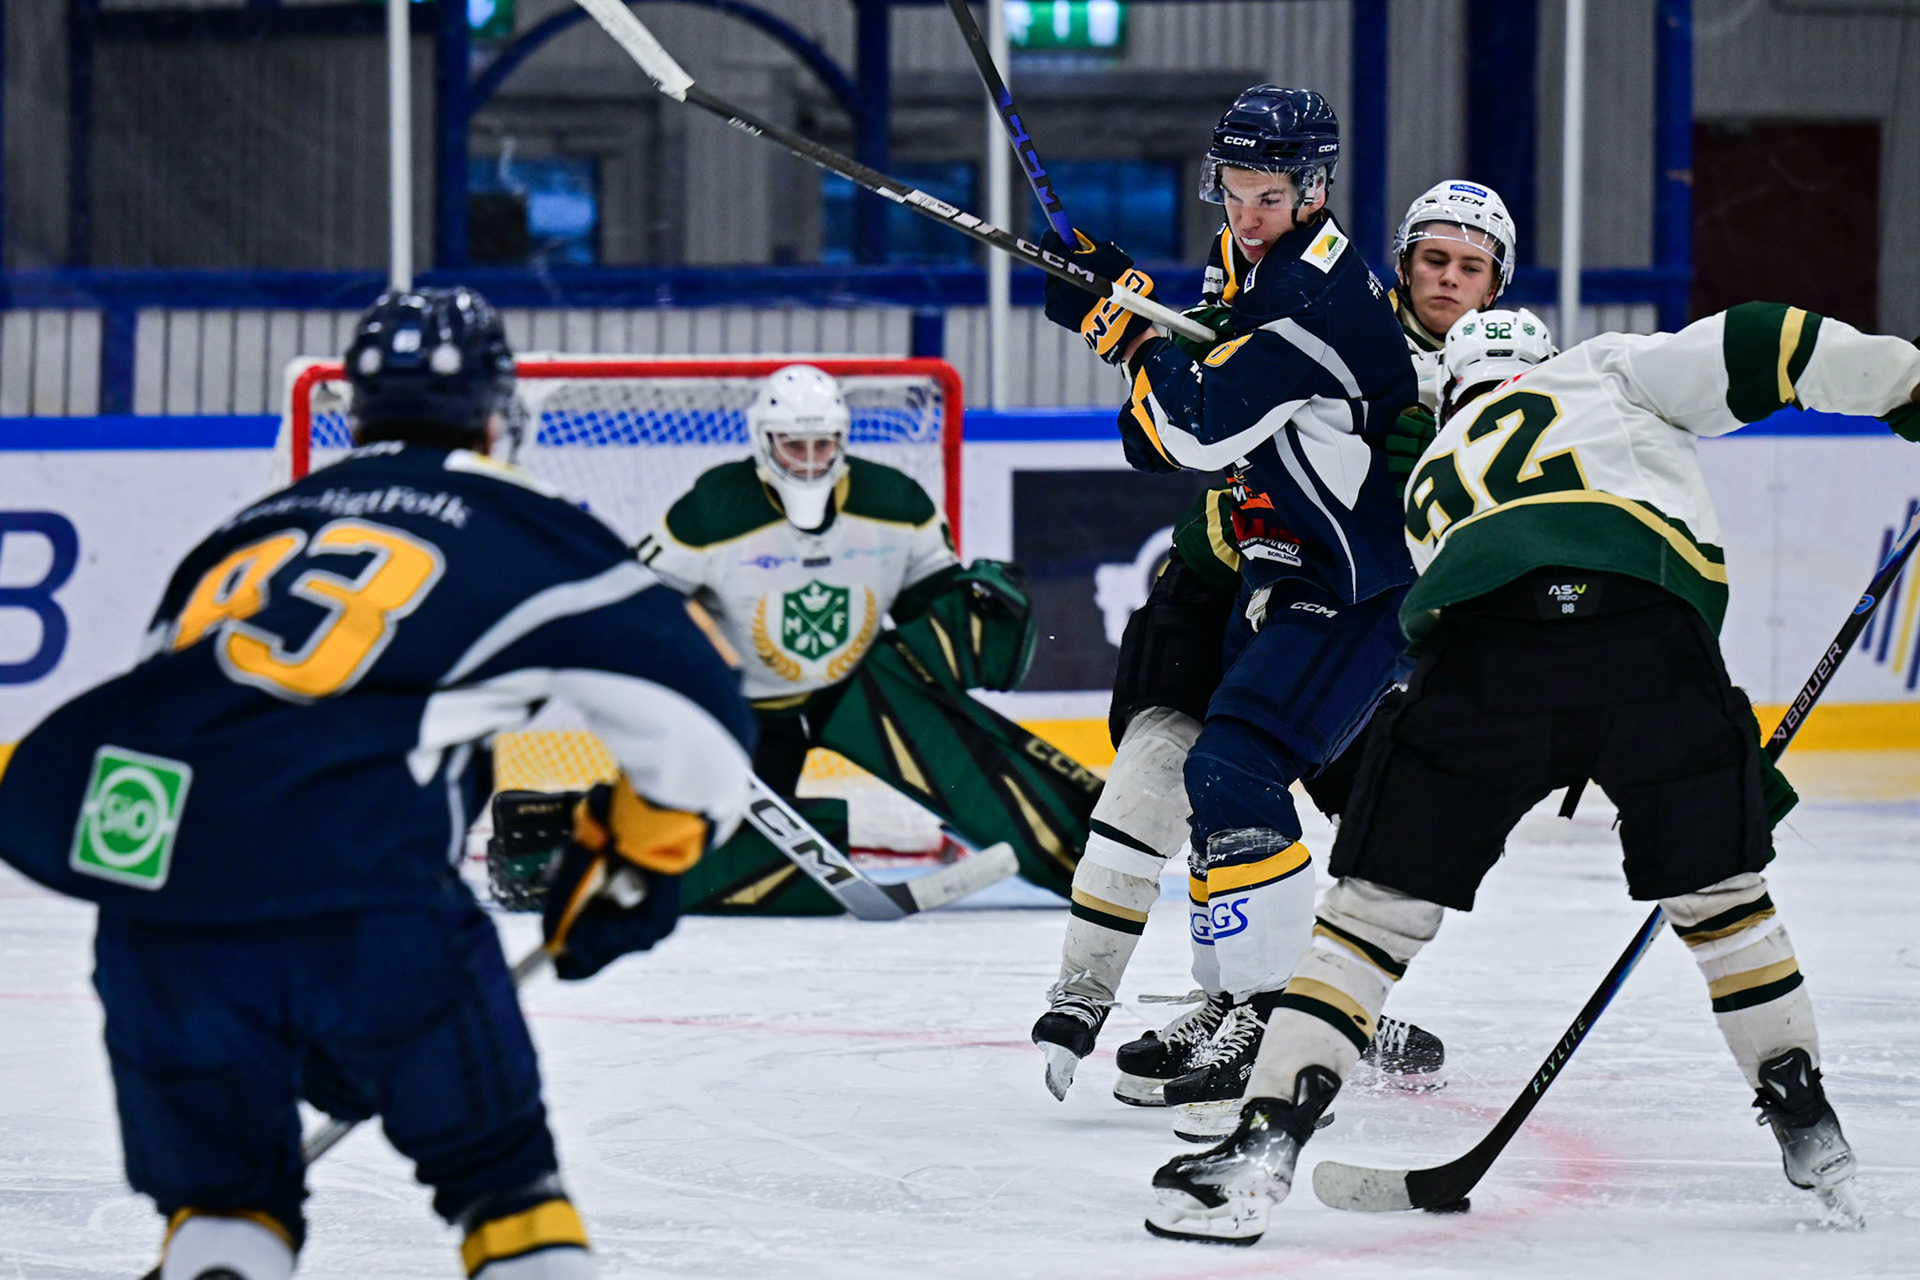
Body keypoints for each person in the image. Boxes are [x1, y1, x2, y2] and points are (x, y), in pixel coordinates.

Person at [0, 287, 758, 1279]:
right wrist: (640, 848)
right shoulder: (518, 519)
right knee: (507, 1188)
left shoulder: (244, 533)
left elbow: (159, 726)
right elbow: (699, 711)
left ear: (354, 409)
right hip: (371, 906)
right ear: (496, 410)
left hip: (160, 921)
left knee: (223, 1210)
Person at [1145, 302, 1920, 1243]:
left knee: (1369, 922)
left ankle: (1263, 1143)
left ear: (1453, 390)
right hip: (1649, 648)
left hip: (1480, 665)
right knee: (1725, 903)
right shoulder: (1605, 367)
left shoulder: (1435, 468)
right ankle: (1806, 1119)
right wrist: (1905, 384)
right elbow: (1764, 341)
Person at [1032, 176, 1520, 1105]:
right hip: (1234, 580)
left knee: (1324, 813)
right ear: (1402, 263)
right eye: (1433, 259)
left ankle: (1308, 1007)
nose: (1448, 280)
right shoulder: (1325, 310)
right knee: (1195, 780)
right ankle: (1236, 1000)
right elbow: (1202, 387)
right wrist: (1128, 313)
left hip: (1361, 609)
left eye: (1470, 266)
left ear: (1497, 284)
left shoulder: (1501, 369)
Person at [628, 364, 1097, 909]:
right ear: (763, 441)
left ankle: (1094, 859)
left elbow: (929, 605)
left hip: (858, 691)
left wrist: (971, 613)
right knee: (695, 855)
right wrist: (690, 658)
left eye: (822, 445)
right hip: (749, 708)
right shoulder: (713, 507)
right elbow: (641, 604)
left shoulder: (894, 503)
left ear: (842, 440)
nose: (809, 461)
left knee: (987, 776)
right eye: (793, 446)